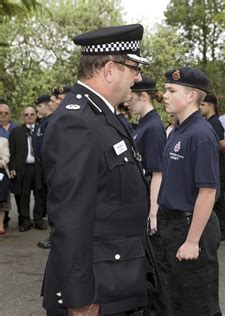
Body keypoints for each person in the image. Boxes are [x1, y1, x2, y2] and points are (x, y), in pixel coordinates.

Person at [41, 24, 157, 316]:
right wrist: (78, 300)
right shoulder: (78, 122)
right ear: (109, 69)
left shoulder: (103, 116)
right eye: (133, 67)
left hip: (116, 279)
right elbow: (70, 217)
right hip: (95, 292)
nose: (138, 76)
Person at [158, 67, 221, 315]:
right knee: (177, 302)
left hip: (191, 228)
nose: (164, 95)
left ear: (192, 96)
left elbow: (207, 192)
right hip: (172, 226)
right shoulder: (178, 130)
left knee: (198, 304)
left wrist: (192, 240)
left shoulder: (201, 133)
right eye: (165, 89)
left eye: (172, 90)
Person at [127, 75, 170, 315]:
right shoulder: (143, 124)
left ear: (144, 96)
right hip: (141, 199)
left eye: (132, 97)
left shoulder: (153, 126)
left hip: (148, 202)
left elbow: (158, 173)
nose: (128, 102)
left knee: (155, 273)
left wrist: (153, 212)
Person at [199, 94, 225, 241]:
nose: (200, 107)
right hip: (213, 161)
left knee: (219, 199)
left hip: (217, 163)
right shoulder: (207, 121)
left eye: (203, 105)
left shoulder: (215, 122)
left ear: (211, 106)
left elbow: (222, 144)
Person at [9, 106, 46, 232]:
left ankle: (38, 220)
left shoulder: (42, 130)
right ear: (23, 117)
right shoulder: (16, 132)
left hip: (38, 168)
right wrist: (12, 167)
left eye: (31, 114)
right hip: (23, 168)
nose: (29, 116)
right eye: (26, 115)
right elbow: (12, 153)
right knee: (23, 196)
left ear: (36, 115)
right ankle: (25, 221)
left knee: (39, 195)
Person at [35, 93, 62, 249]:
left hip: (53, 168)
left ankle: (55, 236)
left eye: (40, 106)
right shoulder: (43, 122)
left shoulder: (53, 121)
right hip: (44, 168)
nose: (38, 110)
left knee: (54, 203)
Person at [0, 101, 18, 229]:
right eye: (0, 113)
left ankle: (22, 218)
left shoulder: (17, 128)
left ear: (9, 113)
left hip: (14, 164)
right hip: (1, 167)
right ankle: (3, 220)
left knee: (16, 192)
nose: (3, 115)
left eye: (6, 112)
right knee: (2, 193)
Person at [0, 136, 10, 235]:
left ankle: (0, 225)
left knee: (1, 201)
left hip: (1, 173)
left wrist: (1, 162)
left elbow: (6, 158)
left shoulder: (3, 141)